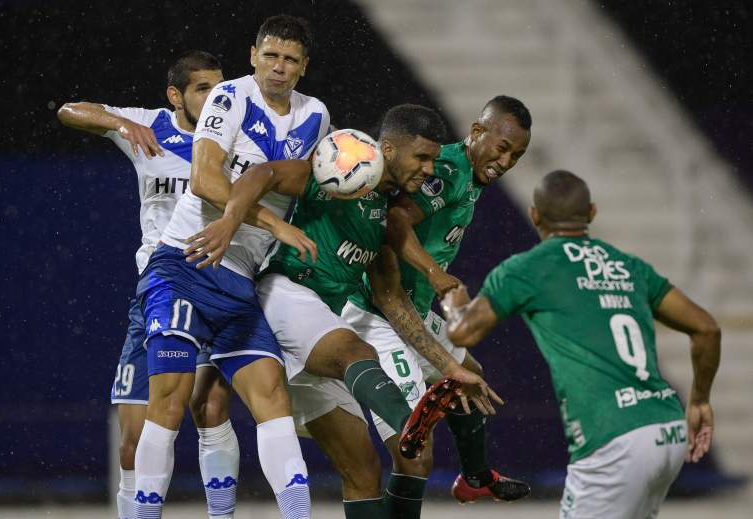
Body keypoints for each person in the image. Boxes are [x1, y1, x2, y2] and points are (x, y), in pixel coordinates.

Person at [186, 104, 500, 518]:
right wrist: (233, 220)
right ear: (388, 149)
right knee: (359, 354)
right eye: (421, 158)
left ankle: (408, 428)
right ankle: (408, 422)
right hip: (285, 293)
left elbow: (392, 301)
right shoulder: (342, 163)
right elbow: (265, 175)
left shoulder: (388, 214)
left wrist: (448, 367)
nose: (428, 170)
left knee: (364, 471)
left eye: (434, 160)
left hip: (322, 333)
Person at [134, 15, 328, 519]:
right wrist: (274, 225)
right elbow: (203, 179)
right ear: (253, 55)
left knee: (270, 396)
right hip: (184, 260)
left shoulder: (315, 117)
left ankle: (297, 514)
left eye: (289, 59)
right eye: (271, 55)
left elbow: (301, 186)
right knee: (171, 404)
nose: (278, 68)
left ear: (304, 66)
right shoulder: (231, 96)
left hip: (239, 276)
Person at [441, 170, 720, 519]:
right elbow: (706, 329)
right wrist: (700, 402)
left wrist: (454, 303)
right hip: (667, 429)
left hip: (612, 437)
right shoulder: (627, 266)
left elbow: (463, 333)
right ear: (591, 213)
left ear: (535, 216)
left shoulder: (527, 269)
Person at [343, 96, 533, 516]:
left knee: (472, 378)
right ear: (478, 132)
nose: (507, 161)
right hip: (379, 314)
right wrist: (433, 272)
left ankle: (476, 477)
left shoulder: (470, 175)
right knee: (415, 456)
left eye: (517, 155)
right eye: (502, 148)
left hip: (412, 305)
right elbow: (395, 221)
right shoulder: (446, 171)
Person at [56, 50, 224, 519]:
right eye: (202, 89)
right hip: (154, 291)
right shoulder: (149, 125)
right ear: (176, 95)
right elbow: (69, 111)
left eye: (219, 87)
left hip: (213, 287)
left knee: (209, 413)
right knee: (133, 439)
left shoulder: (232, 133)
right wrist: (118, 124)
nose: (215, 99)